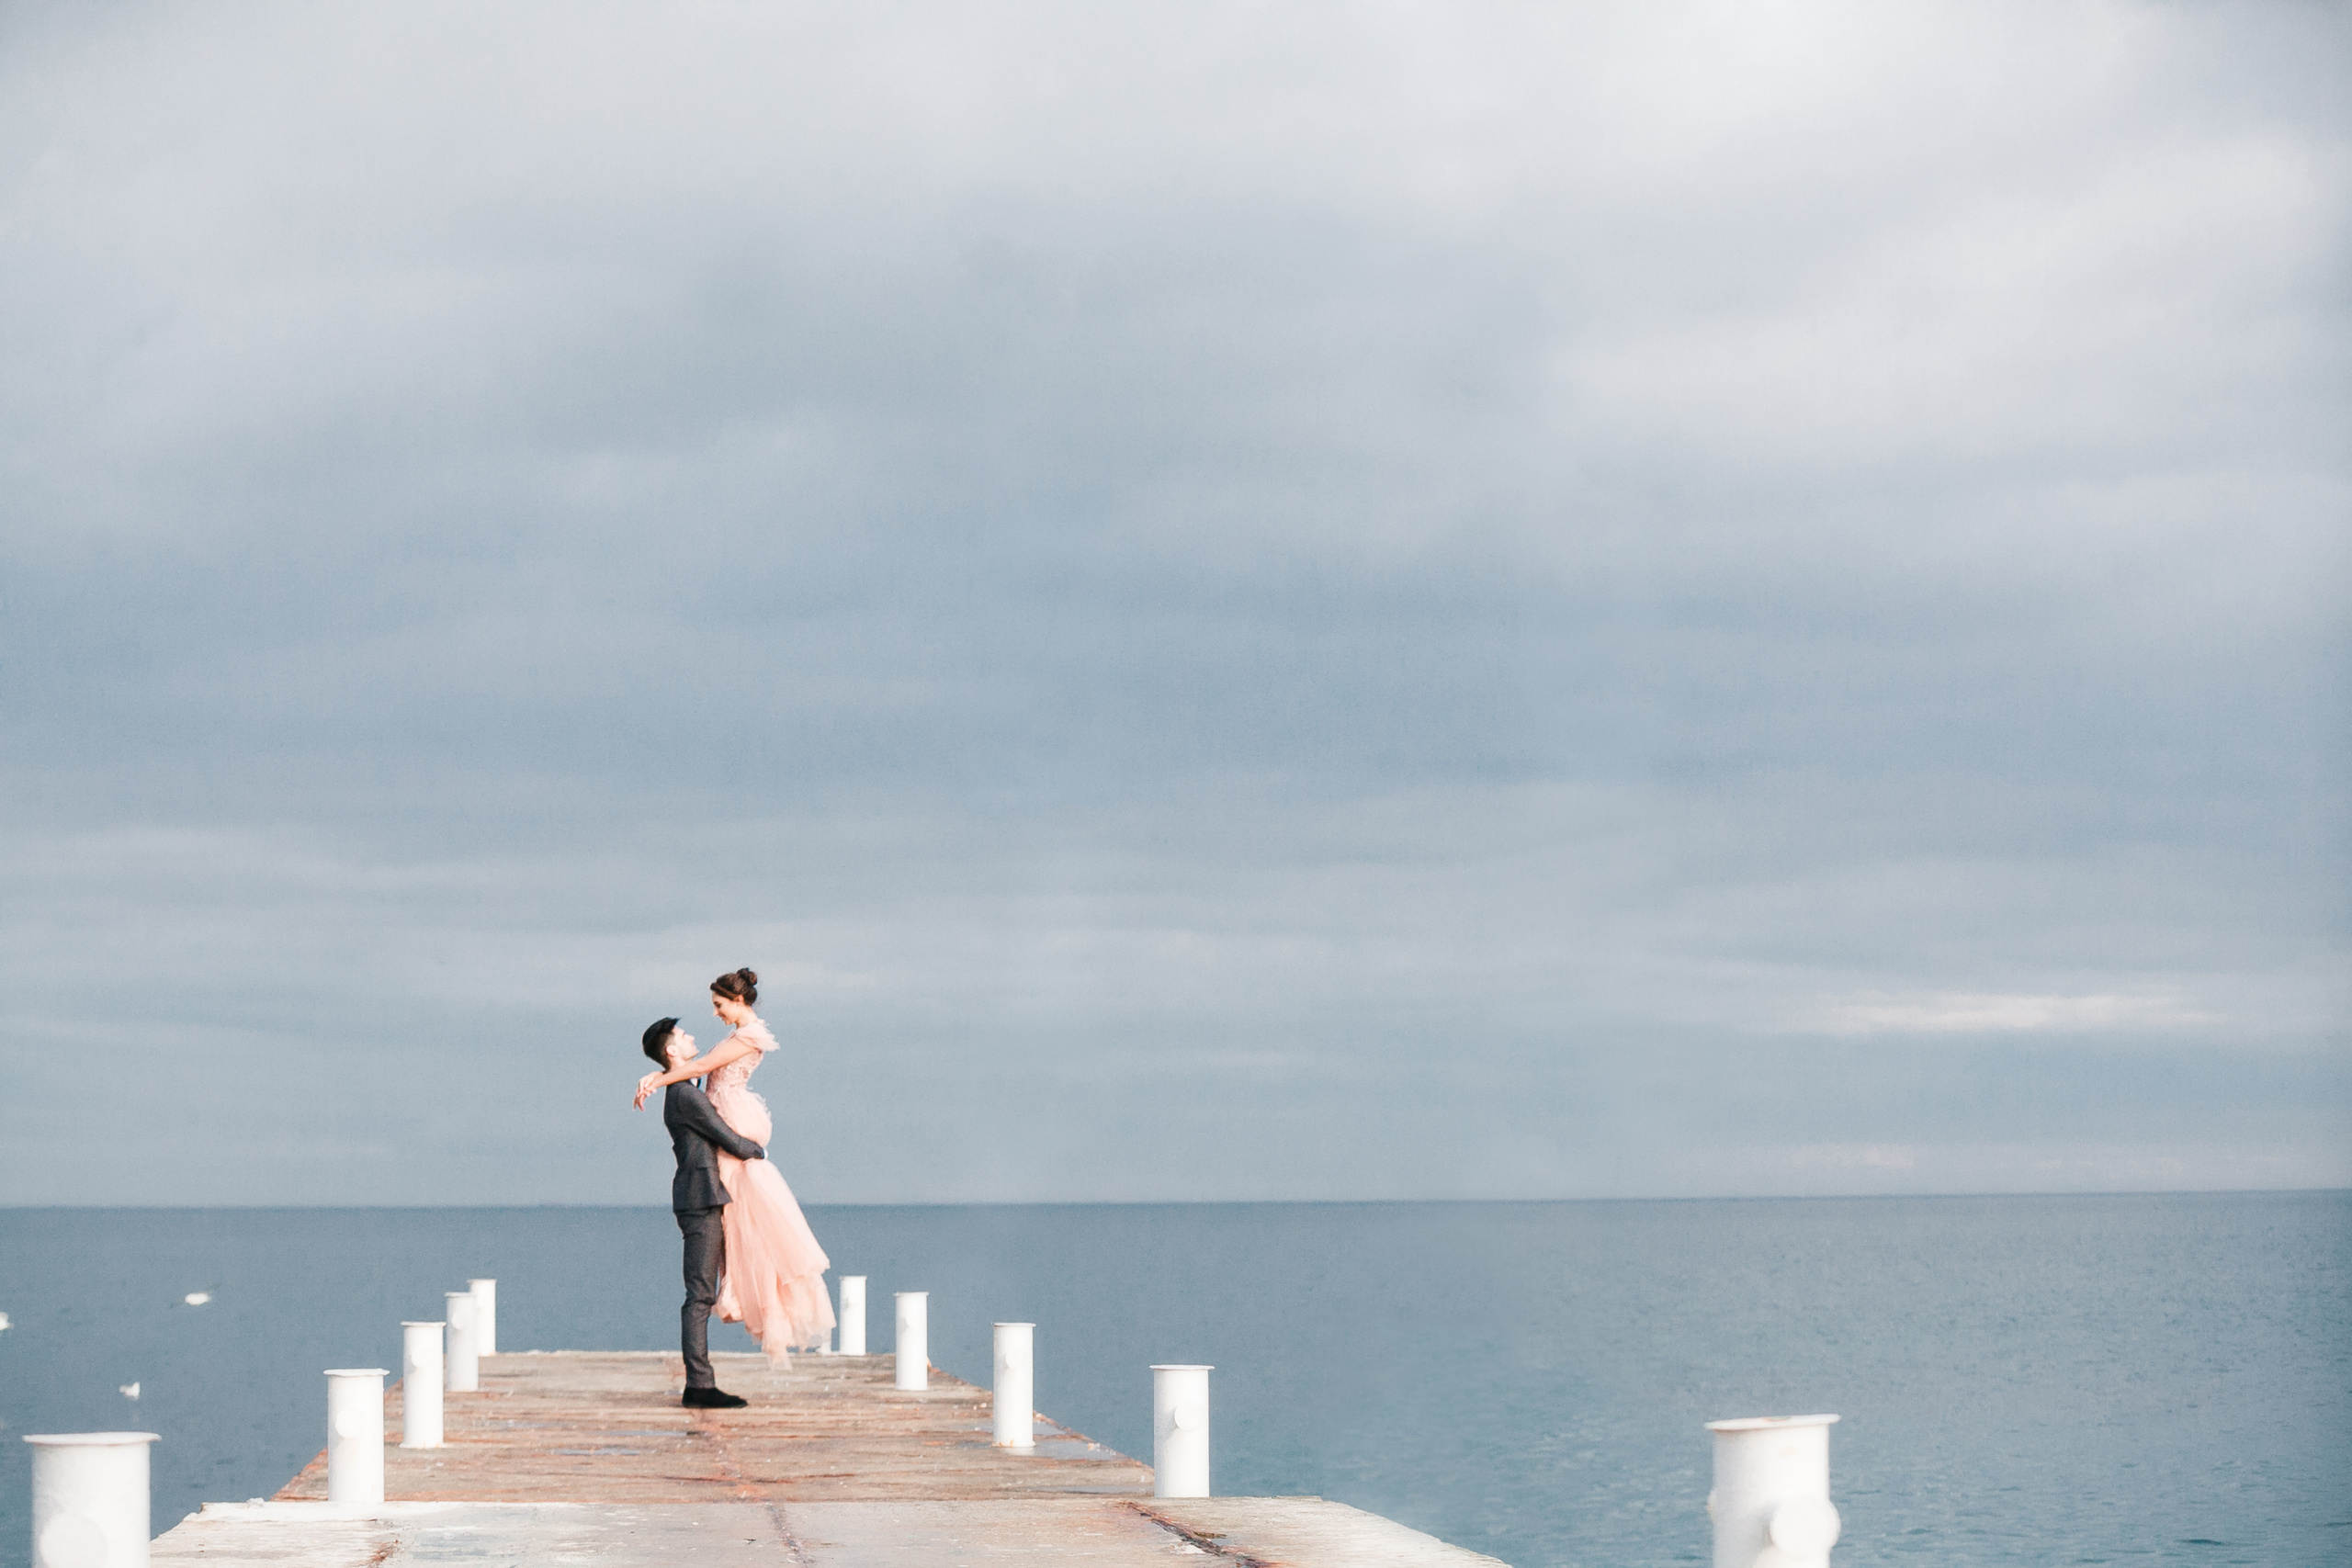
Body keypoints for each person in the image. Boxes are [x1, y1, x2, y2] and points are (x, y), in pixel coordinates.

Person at [636, 967, 837, 1362]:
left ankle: (739, 1303)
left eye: (718, 1005)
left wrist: (655, 1080)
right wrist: (659, 1072)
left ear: (738, 1000)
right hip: (722, 1125)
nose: (715, 1014)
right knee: (739, 1228)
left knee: (752, 1229)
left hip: (732, 1125)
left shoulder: (749, 1036)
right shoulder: (736, 1034)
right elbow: (691, 1069)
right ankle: (727, 1301)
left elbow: (697, 1069)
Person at [640, 1014, 765, 1408]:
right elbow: (726, 1137)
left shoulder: (683, 1089)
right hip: (700, 1199)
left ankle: (700, 1382)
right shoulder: (685, 1095)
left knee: (701, 1293)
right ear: (672, 1051)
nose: (692, 1036)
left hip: (702, 1196)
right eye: (683, 1034)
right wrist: (757, 1152)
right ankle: (699, 1385)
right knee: (699, 1295)